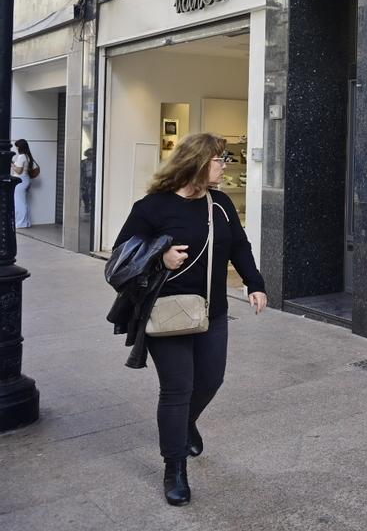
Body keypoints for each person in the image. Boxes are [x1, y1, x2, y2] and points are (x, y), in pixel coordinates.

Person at [114, 132, 268, 507]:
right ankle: (175, 467)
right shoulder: (152, 207)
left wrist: (255, 282)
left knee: (211, 380)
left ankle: (183, 425)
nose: (225, 165)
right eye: (220, 159)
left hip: (212, 312)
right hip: (167, 313)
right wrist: (159, 257)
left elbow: (239, 246)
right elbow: (120, 257)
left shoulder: (221, 205)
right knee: (177, 389)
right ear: (198, 163)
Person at [11, 138, 35, 228]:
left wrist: (12, 164)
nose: (16, 148)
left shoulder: (21, 157)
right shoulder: (27, 156)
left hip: (20, 181)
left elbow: (19, 170)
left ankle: (21, 223)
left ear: (20, 147)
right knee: (24, 202)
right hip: (26, 180)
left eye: (17, 147)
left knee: (19, 203)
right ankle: (26, 222)